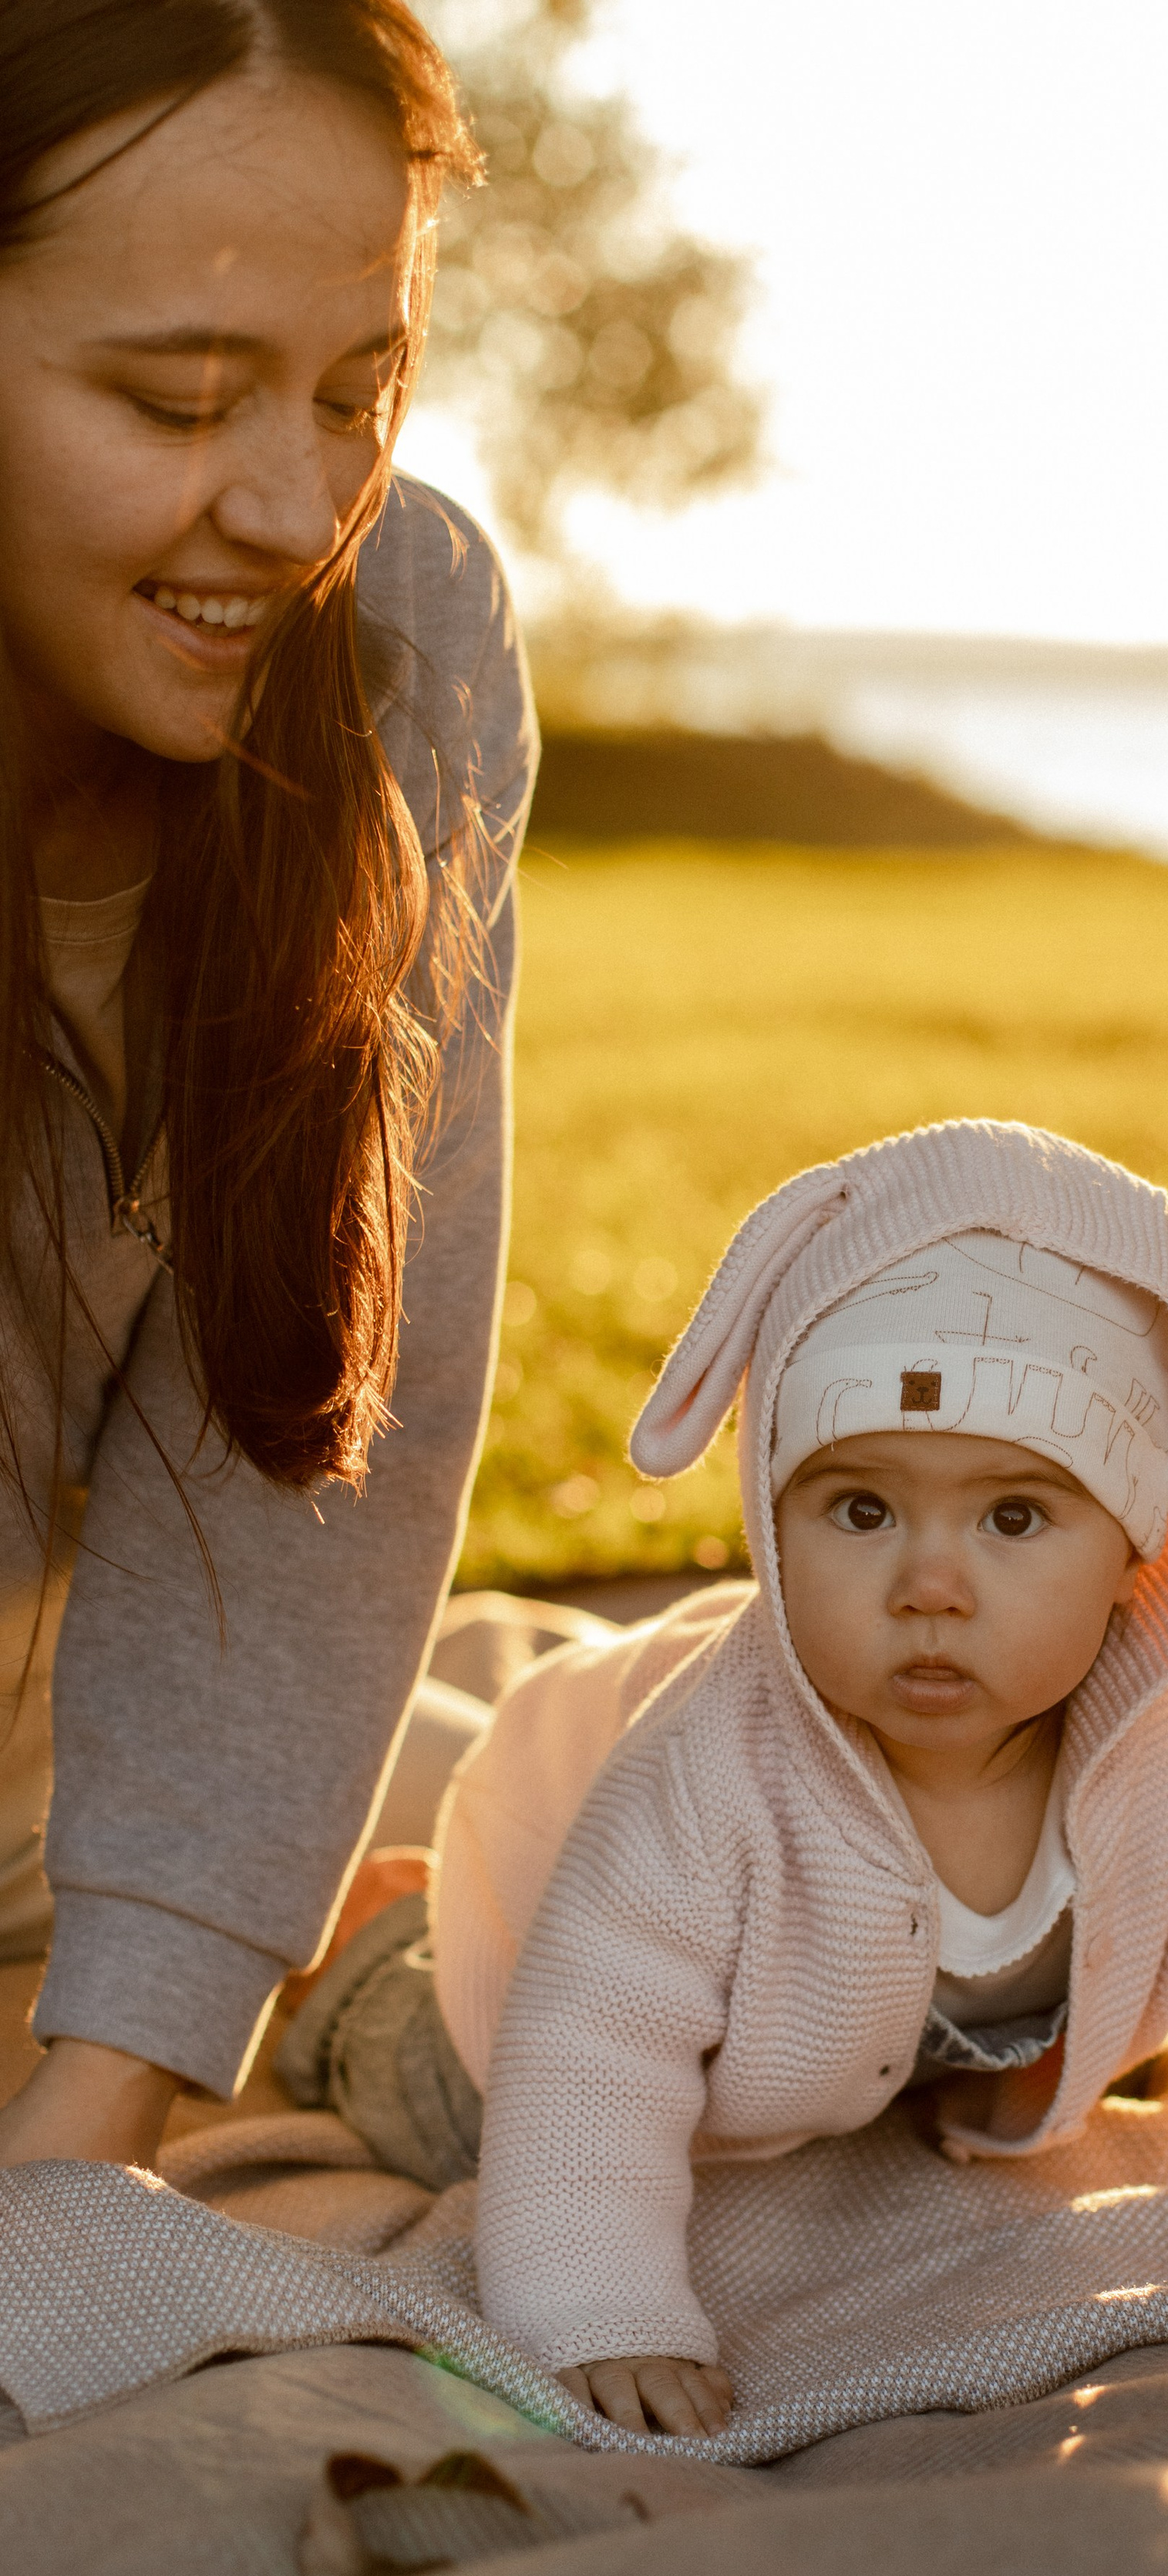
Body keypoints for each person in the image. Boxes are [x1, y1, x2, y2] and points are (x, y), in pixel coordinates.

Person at [287, 1121, 1168, 2435]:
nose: (930, 1587)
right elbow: (591, 2040)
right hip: (547, 1926)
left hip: (863, 2023)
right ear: (772, 1523)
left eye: (1013, 1518)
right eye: (861, 1511)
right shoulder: (709, 1778)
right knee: (446, 2100)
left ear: (1140, 1549)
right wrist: (600, 2312)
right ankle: (370, 1952)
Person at [0, 2, 535, 2167]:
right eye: (179, 397)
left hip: (71, 1778)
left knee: (817, 1854)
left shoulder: (407, 636)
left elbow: (329, 1435)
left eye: (359, 392)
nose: (299, 506)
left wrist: (98, 2105)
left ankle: (362, 1965)